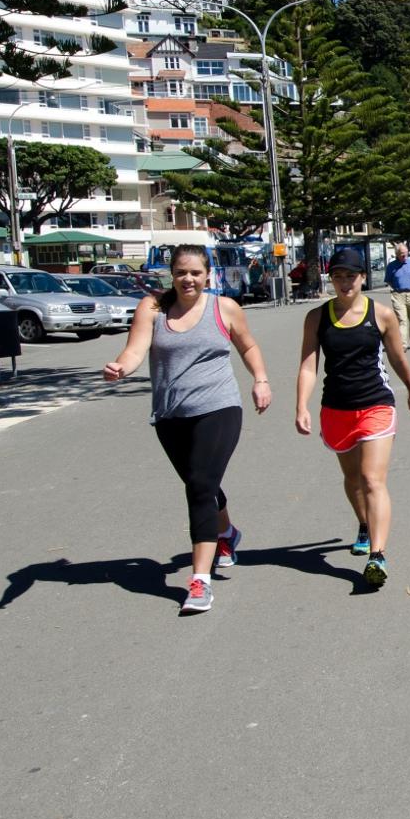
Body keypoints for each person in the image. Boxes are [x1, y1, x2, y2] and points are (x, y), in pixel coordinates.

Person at [103, 245, 272, 614]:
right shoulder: (153, 308)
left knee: (199, 486)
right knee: (201, 483)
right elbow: (135, 350)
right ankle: (227, 532)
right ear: (171, 274)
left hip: (219, 408)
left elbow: (248, 347)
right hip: (170, 416)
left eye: (196, 272)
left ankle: (200, 582)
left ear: (208, 274)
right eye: (181, 272)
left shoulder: (224, 308)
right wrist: (120, 367)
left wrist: (260, 380)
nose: (188, 279)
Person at [294, 249, 410, 588]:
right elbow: (308, 365)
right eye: (338, 276)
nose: (345, 282)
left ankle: (377, 555)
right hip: (336, 408)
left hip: (376, 404)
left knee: (371, 479)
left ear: (363, 277)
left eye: (351, 276)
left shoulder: (381, 315)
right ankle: (364, 524)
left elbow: (397, 357)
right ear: (331, 279)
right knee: (352, 480)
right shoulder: (316, 318)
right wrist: (301, 406)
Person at [384, 243, 410, 349]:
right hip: (398, 295)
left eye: (406, 253)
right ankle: (403, 345)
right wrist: (396, 288)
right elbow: (388, 280)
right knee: (402, 320)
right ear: (396, 254)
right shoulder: (391, 266)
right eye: (401, 254)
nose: (404, 255)